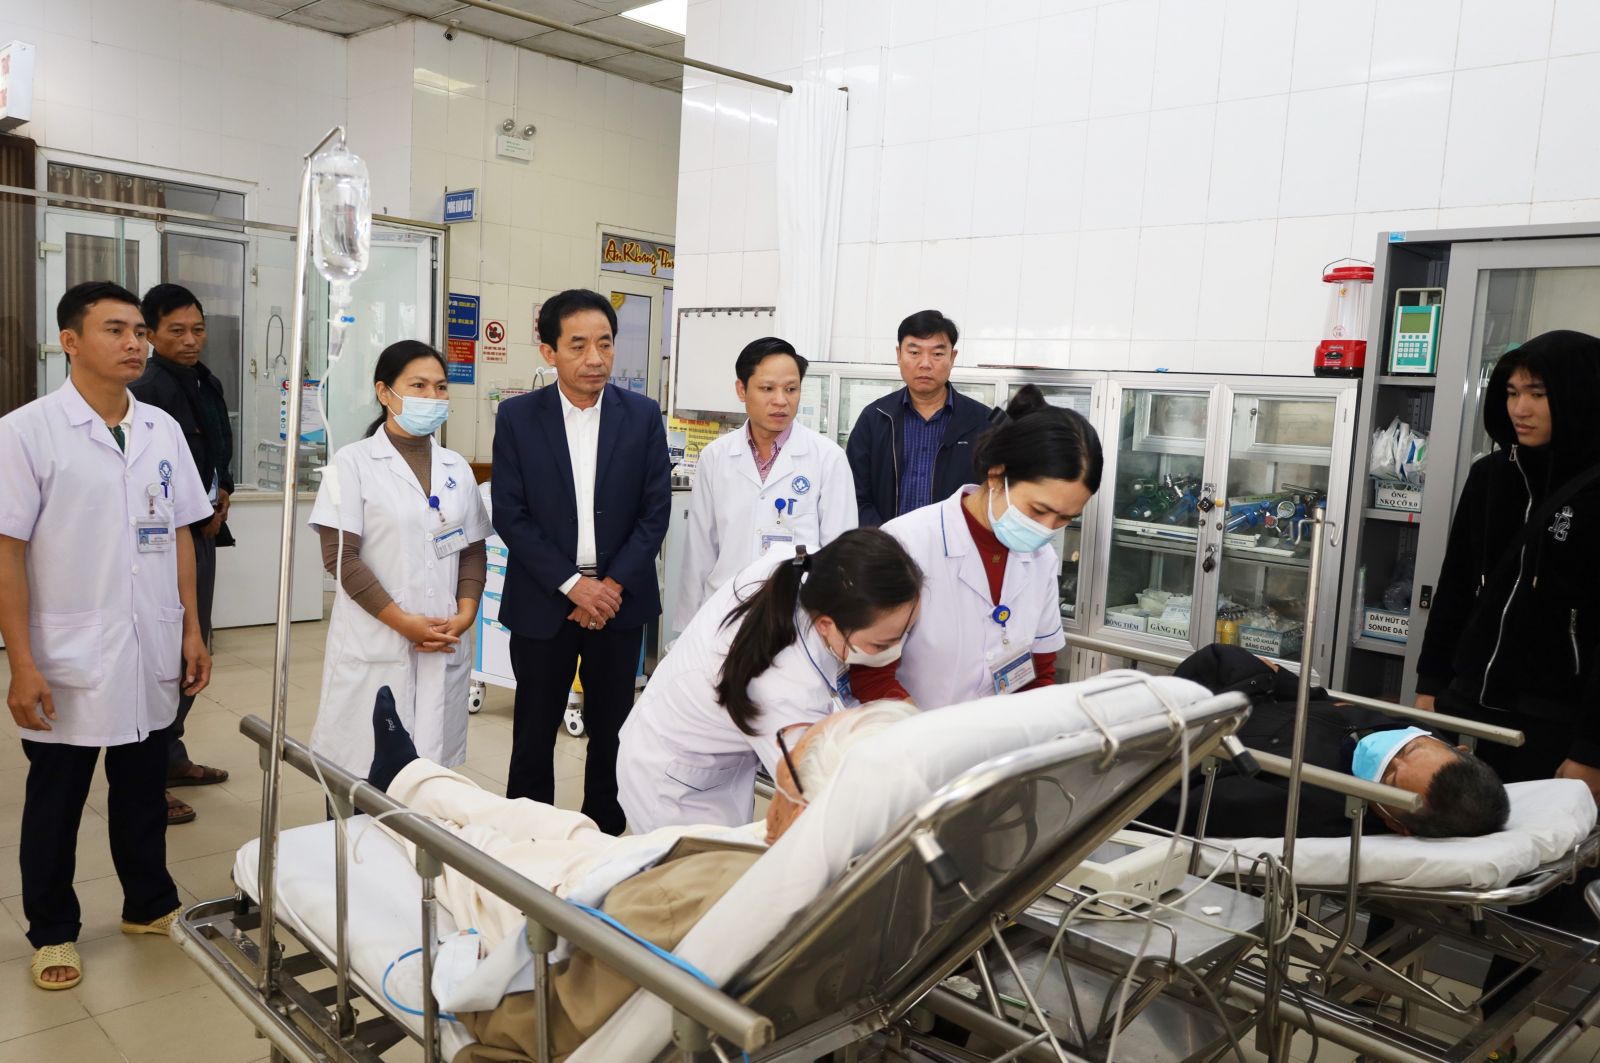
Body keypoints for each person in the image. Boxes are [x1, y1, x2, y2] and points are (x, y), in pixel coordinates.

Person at [359, 686, 914, 1061]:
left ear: (807, 805)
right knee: (557, 824)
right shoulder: (866, 865)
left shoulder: (715, 903)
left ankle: (398, 804)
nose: (777, 776)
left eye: (787, 764)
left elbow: (540, 1019)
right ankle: (407, 772)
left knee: (479, 850)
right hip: (642, 872)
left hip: (576, 908)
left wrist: (466, 990)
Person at [0, 282, 213, 992]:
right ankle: (52, 929)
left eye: (139, 332)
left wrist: (192, 628)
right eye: (116, 330)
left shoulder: (160, 428)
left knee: (143, 783)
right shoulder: (27, 432)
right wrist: (21, 663)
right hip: (68, 648)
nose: (134, 344)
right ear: (70, 341)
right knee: (56, 798)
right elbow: (7, 554)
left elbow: (179, 532)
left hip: (150, 640)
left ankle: (148, 903)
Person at [1412, 330, 1600, 1045]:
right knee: (1425, 843)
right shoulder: (1493, 476)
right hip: (1470, 706)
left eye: (1538, 393)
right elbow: (1457, 585)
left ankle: (1501, 1029)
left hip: (1554, 724)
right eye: (1513, 391)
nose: (1520, 408)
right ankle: (1383, 984)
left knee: (1534, 887)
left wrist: (1591, 750)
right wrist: (1429, 688)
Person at [492, 290, 672, 835]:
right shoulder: (518, 417)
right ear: (549, 352)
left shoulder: (641, 416)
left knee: (613, 730)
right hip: (545, 600)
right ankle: (529, 838)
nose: (595, 358)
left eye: (605, 344)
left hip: (620, 601)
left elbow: (655, 512)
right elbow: (510, 514)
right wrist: (574, 585)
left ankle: (604, 836)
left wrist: (609, 586)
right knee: (534, 730)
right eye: (578, 345)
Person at [618, 529, 922, 833]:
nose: (895, 651)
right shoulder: (783, 688)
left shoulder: (815, 570)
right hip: (674, 783)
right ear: (826, 625)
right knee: (692, 862)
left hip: (716, 756)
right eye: (881, 645)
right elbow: (818, 795)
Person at [852, 384, 1101, 710]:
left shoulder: (1042, 559)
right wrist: (926, 732)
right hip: (912, 732)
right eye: (1038, 510)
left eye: (1065, 518)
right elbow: (869, 676)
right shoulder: (906, 543)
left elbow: (1038, 672)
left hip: (999, 737)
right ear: (997, 476)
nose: (1047, 527)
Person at [308, 340, 491, 777]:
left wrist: (465, 615)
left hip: (443, 640)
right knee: (361, 780)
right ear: (384, 392)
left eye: (440, 387)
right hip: (376, 643)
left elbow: (471, 550)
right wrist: (403, 622)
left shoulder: (456, 468)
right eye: (418, 385)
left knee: (427, 782)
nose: (433, 396)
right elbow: (341, 558)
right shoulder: (351, 463)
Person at [1145, 645, 1509, 838]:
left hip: (1171, 738)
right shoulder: (1415, 736)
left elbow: (1171, 805)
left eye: (1390, 777)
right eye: (1408, 748)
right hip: (1233, 696)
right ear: (1458, 748)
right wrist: (1275, 680)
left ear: (1397, 825)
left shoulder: (1304, 800)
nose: (1385, 753)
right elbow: (1323, 706)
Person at [130, 283, 235, 827]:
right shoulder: (148, 390)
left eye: (198, 329)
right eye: (177, 331)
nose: (191, 340)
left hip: (202, 527)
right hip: (166, 535)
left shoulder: (203, 380)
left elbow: (216, 447)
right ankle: (150, 769)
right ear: (151, 334)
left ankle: (170, 754)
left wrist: (224, 490)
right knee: (170, 649)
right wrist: (194, 514)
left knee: (196, 642)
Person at [673, 336, 856, 631]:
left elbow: (841, 553)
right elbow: (699, 552)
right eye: (767, 388)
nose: (781, 400)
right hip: (725, 614)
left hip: (797, 618)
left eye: (791, 389)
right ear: (741, 389)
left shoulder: (828, 458)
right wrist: (688, 630)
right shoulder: (716, 457)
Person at [845, 310, 996, 527]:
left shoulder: (983, 422)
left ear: (952, 357)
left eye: (937, 354)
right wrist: (882, 539)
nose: (925, 363)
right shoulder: (875, 418)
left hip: (956, 545)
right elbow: (854, 495)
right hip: (884, 544)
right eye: (914, 352)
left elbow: (995, 496)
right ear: (899, 355)